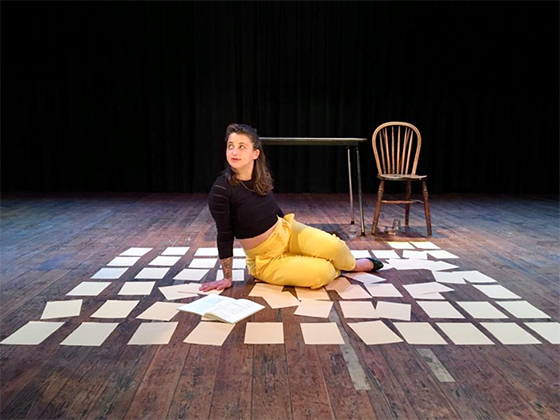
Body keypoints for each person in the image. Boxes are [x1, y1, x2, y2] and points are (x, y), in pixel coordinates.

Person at [200, 123, 383, 292]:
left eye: (241, 147)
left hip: (286, 232)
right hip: (265, 258)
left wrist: (294, 232)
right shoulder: (221, 190)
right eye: (230, 146)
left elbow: (272, 209)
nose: (234, 152)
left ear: (255, 153)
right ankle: (337, 267)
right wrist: (227, 278)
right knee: (322, 273)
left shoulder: (260, 176)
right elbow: (224, 234)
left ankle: (352, 265)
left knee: (337, 247)